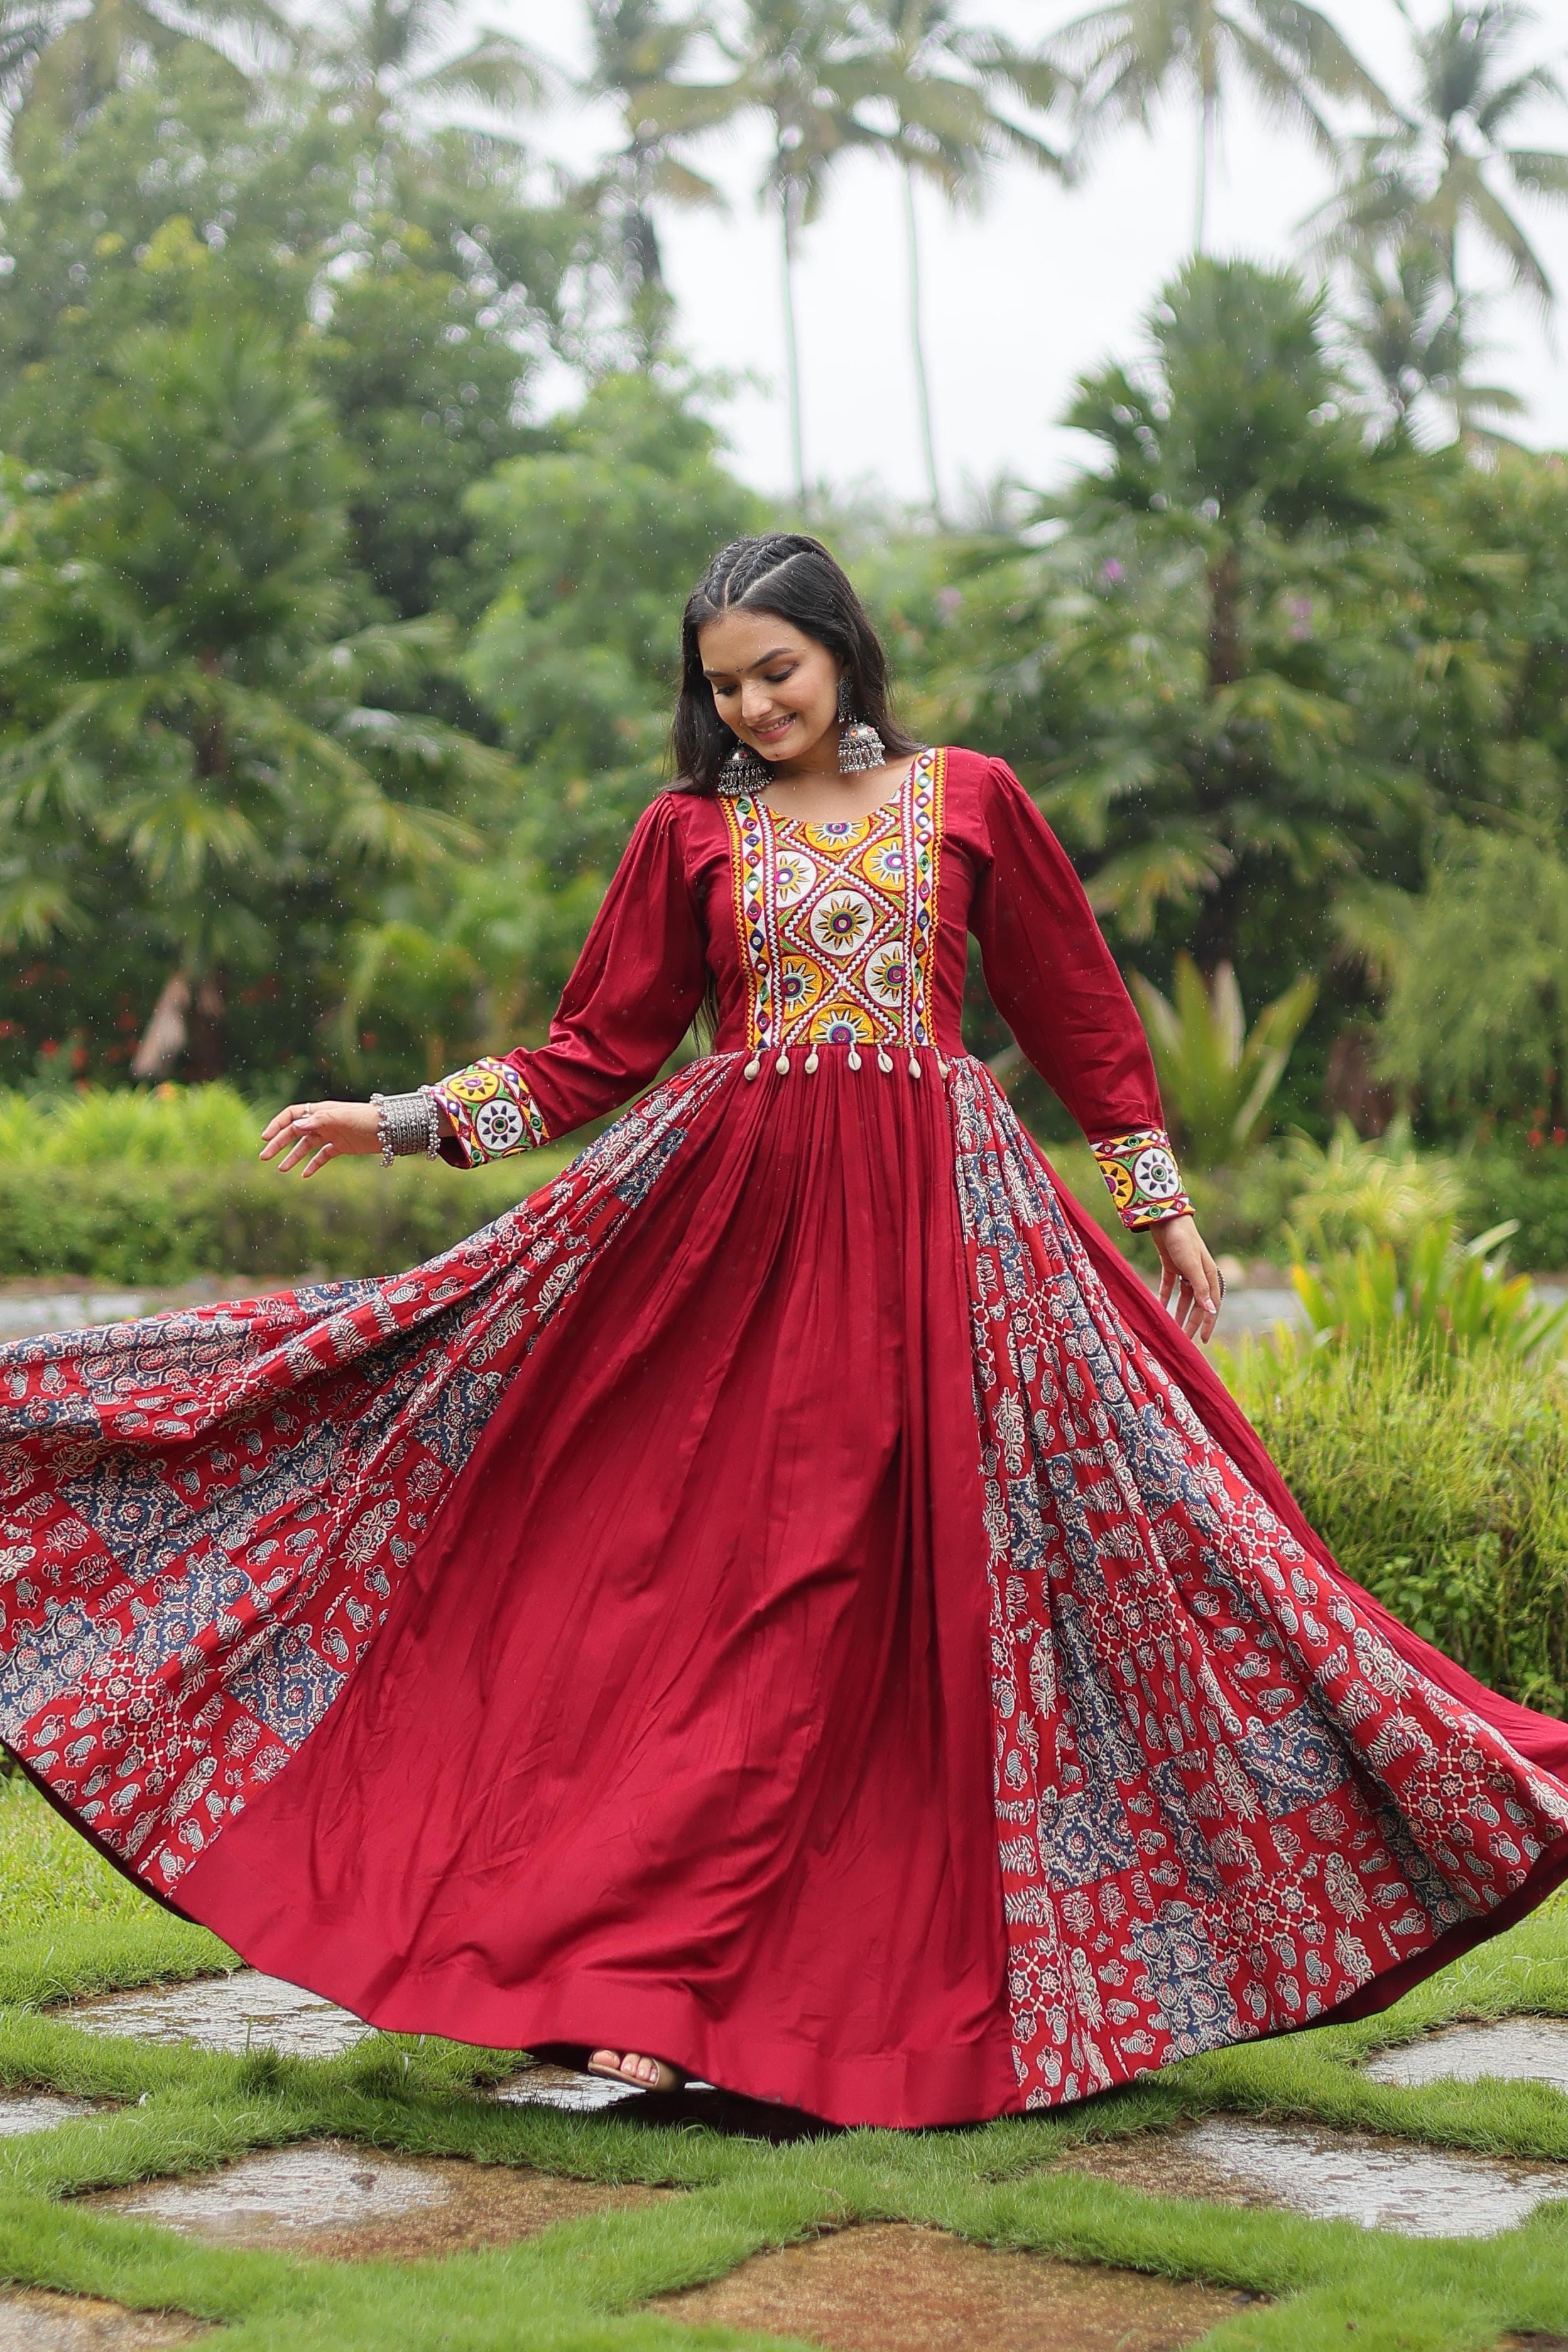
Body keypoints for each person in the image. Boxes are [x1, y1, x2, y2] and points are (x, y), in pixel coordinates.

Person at [2, 534, 1565, 2128]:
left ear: (841, 651)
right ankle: (650, 1984)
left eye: (777, 671)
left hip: (955, 1249)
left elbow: (1080, 1008)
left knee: (1118, 1548)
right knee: (724, 1598)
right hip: (735, 1250)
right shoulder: (686, 832)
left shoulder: (970, 799)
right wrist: (398, 1120)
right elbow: (592, 1051)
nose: (754, 707)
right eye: (725, 687)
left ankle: (1005, 1946)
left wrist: (1160, 1202)